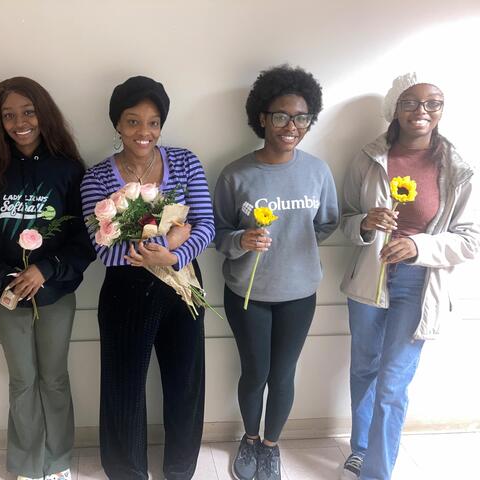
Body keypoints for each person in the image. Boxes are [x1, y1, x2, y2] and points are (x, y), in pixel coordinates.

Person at [339, 73, 480, 480]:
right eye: (410, 103)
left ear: (441, 110)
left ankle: (377, 472)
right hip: (369, 277)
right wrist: (366, 223)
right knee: (364, 368)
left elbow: (470, 240)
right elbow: (345, 220)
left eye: (432, 103)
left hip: (420, 286)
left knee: (393, 384)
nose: (421, 111)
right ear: (394, 110)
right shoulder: (368, 158)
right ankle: (360, 450)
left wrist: (419, 247)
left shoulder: (457, 168)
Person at [0, 77, 95, 480]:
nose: (20, 123)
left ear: (43, 113)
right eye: (9, 115)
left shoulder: (68, 171)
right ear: (0, 121)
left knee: (53, 379)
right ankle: (27, 464)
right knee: (22, 380)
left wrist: (45, 270)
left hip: (55, 294)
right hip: (7, 295)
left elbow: (85, 240)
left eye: (28, 112)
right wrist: (3, 276)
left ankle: (59, 461)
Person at [80, 75, 214, 480]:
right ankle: (126, 471)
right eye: (133, 121)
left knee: (185, 380)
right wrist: (158, 244)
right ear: (118, 125)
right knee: (123, 383)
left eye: (153, 122)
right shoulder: (97, 178)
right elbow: (102, 245)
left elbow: (206, 224)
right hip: (126, 287)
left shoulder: (186, 161)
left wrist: (173, 253)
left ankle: (180, 470)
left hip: (182, 280)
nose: (144, 131)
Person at [213, 65, 339, 480]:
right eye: (281, 116)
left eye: (301, 117)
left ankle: (270, 446)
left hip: (299, 292)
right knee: (255, 373)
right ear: (262, 118)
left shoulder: (318, 171)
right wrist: (242, 241)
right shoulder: (235, 174)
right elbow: (219, 233)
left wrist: (297, 248)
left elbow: (326, 223)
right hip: (248, 293)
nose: (291, 125)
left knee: (283, 375)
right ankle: (249, 439)